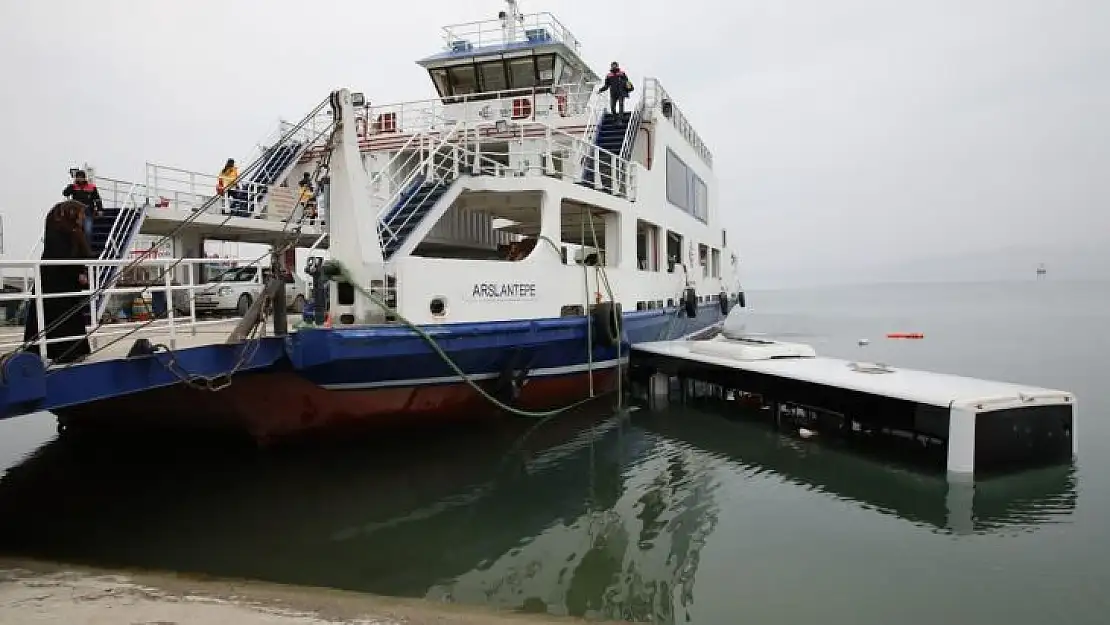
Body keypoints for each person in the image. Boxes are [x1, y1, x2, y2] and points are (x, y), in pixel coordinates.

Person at [22, 200, 95, 364]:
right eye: (81, 214)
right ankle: (62, 352)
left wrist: (79, 271)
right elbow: (62, 257)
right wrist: (78, 271)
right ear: (72, 213)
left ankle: (72, 351)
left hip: (63, 282)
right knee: (58, 317)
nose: (83, 218)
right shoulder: (59, 232)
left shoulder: (70, 231)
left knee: (68, 317)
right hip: (53, 282)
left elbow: (74, 256)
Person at [62, 170, 103, 244]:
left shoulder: (92, 187)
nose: (79, 179)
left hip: (87, 212)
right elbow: (65, 193)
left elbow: (97, 199)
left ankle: (87, 248)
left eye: (81, 177)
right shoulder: (73, 187)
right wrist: (71, 187)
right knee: (73, 231)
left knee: (88, 231)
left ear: (84, 178)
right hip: (75, 213)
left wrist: (100, 209)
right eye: (78, 177)